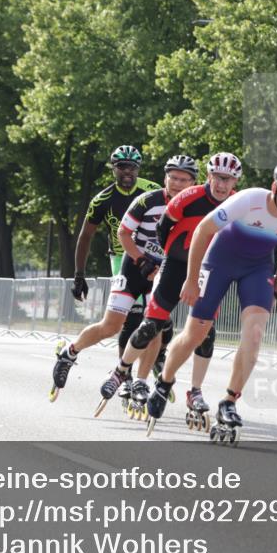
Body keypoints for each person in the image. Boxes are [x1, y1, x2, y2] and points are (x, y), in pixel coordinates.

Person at [144, 159, 277, 443]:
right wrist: (191, 278)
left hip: (257, 268)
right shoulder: (249, 200)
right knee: (195, 333)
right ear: (275, 188)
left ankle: (229, 400)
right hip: (219, 261)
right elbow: (202, 230)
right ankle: (165, 381)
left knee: (255, 334)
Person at [96, 152, 243, 421]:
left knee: (205, 333)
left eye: (229, 179)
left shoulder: (238, 203)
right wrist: (170, 258)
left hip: (208, 271)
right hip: (175, 264)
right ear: (208, 177)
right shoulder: (188, 197)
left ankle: (195, 391)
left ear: (235, 181)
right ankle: (121, 370)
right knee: (151, 325)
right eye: (218, 178)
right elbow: (163, 229)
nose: (222, 185)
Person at [90, 154, 200, 415]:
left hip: (166, 269)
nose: (176, 184)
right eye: (172, 178)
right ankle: (74, 355)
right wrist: (140, 260)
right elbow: (118, 233)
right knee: (117, 323)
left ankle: (141, 378)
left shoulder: (198, 205)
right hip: (132, 261)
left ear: (193, 183)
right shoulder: (143, 199)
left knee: (155, 324)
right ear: (165, 178)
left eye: (183, 180)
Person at [49, 145, 160, 402]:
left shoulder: (152, 191)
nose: (127, 172)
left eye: (132, 167)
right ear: (114, 168)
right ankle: (86, 359)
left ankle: (144, 368)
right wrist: (79, 275)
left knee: (153, 320)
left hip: (152, 258)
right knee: (122, 322)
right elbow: (86, 235)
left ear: (138, 169)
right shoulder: (103, 199)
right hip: (122, 257)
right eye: (122, 166)